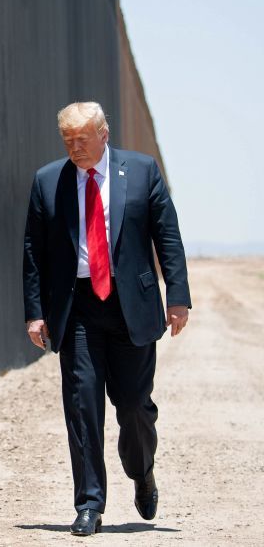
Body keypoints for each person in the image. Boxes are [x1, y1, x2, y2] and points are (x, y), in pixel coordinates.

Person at [22, 101, 191, 536]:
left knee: (134, 406)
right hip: (77, 308)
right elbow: (33, 253)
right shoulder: (47, 182)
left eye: (83, 139)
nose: (75, 147)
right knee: (82, 408)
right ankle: (90, 504)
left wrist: (178, 297)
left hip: (129, 305)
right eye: (68, 141)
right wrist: (36, 313)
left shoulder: (141, 171)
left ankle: (142, 469)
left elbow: (166, 236)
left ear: (104, 134)